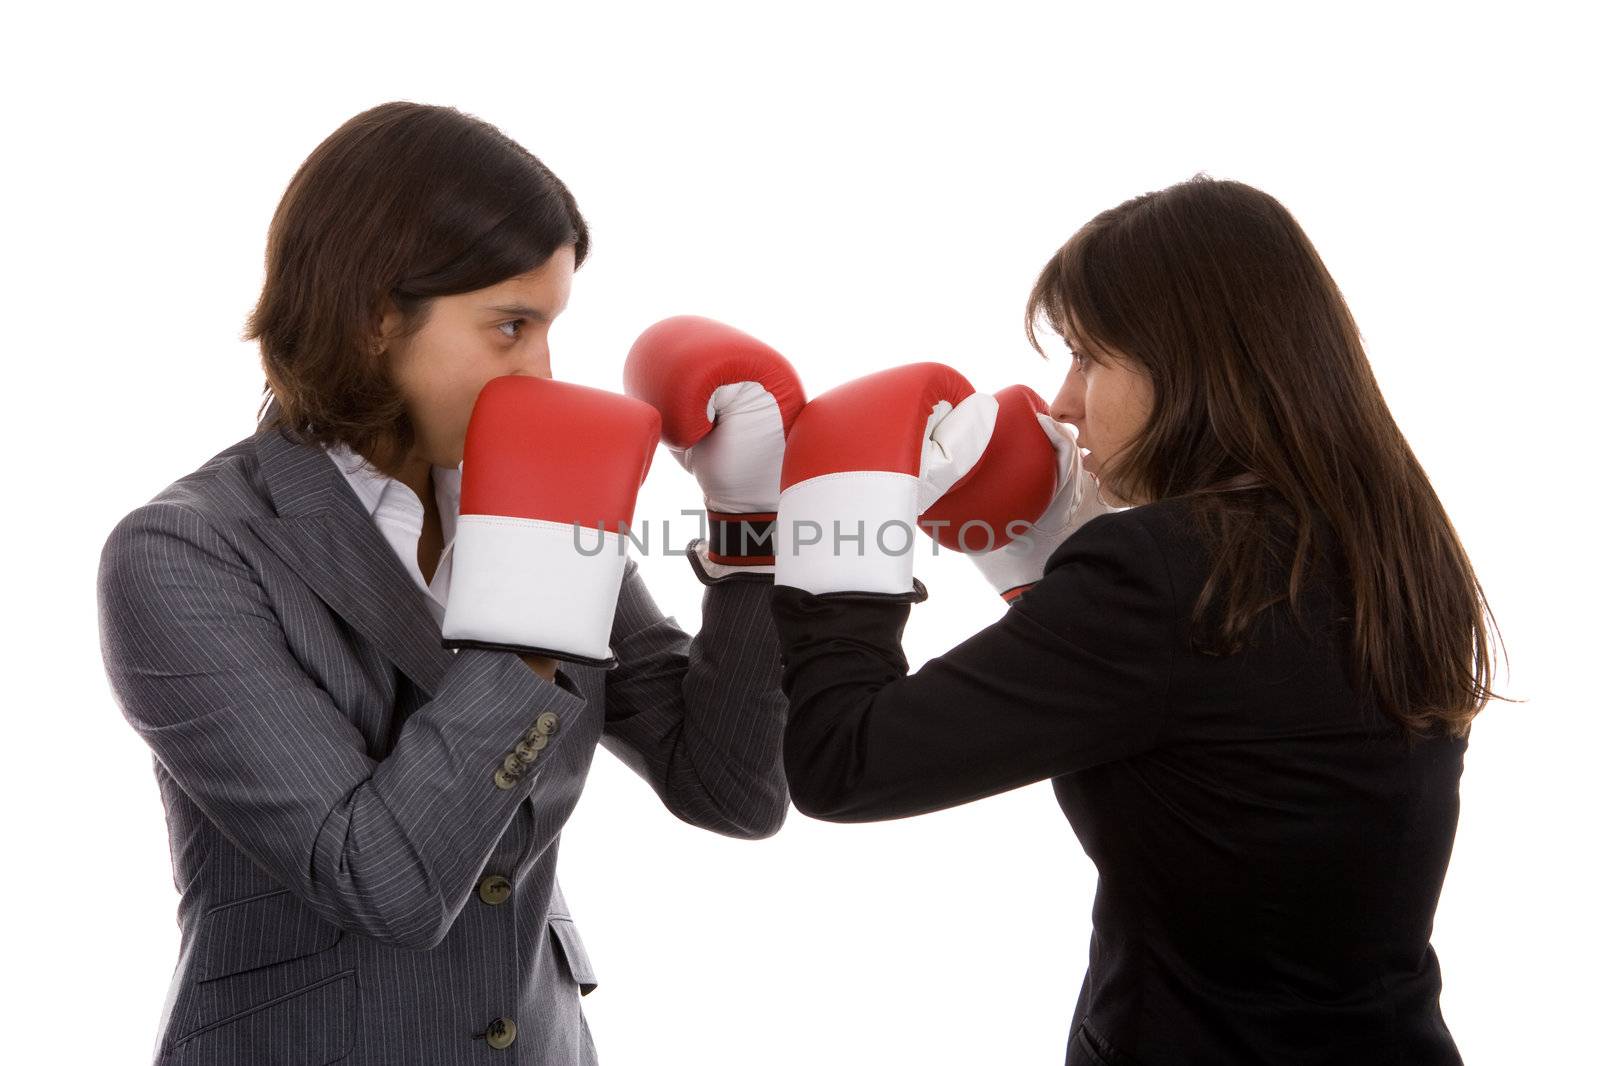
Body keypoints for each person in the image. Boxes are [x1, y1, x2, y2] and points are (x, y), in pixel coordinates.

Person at [96, 101, 796, 1066]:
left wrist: (749, 532)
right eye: (510, 326)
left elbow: (728, 791)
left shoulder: (527, 501)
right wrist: (535, 609)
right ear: (375, 319)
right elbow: (383, 882)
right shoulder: (186, 554)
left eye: (549, 328)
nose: (544, 372)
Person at [767, 175, 1505, 1065]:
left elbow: (843, 763)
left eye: (1086, 356)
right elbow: (1220, 755)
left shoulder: (1162, 574)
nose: (1064, 403)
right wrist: (1039, 571)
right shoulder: (1389, 544)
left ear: (1188, 362)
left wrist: (834, 532)